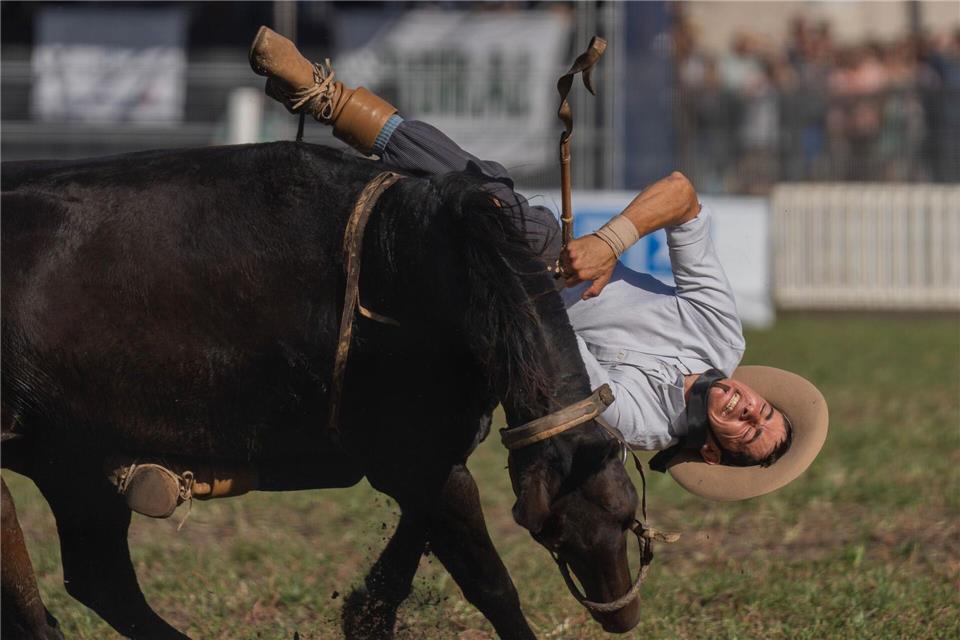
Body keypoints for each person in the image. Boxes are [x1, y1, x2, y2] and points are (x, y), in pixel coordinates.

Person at [249, 27, 828, 501]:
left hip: (506, 323)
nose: (750, 407)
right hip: (536, 255)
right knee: (499, 203)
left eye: (746, 429)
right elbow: (680, 194)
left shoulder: (638, 426)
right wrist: (609, 243)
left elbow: (557, 356)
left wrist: (543, 287)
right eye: (765, 410)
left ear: (710, 451)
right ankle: (331, 101)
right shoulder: (721, 335)